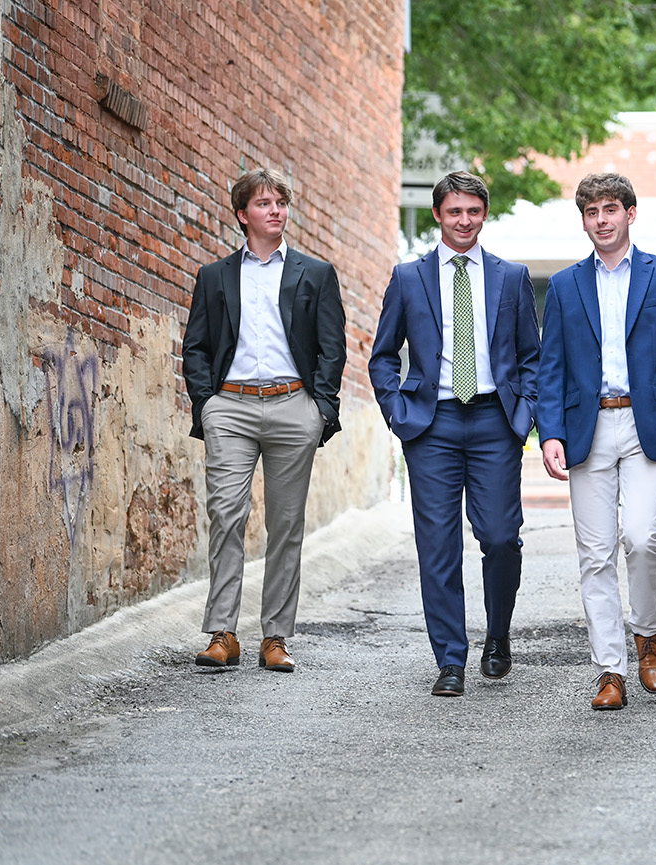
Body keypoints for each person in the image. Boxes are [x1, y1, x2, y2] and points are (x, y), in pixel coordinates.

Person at [538, 173, 656, 711]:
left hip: (647, 426)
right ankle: (609, 669)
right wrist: (550, 434)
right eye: (591, 213)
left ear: (630, 214)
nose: (602, 221)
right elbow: (552, 368)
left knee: (642, 538)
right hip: (587, 427)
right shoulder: (565, 286)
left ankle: (648, 633)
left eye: (610, 209)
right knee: (594, 555)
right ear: (584, 219)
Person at [369, 171, 540, 698]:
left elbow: (531, 357)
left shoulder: (511, 277)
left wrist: (525, 412)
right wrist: (399, 412)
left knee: (499, 537)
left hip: (494, 422)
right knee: (437, 546)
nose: (463, 220)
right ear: (439, 215)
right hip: (432, 425)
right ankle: (450, 659)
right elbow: (381, 356)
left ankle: (498, 633)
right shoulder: (408, 277)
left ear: (483, 215)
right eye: (454, 212)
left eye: (473, 211)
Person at [183, 167, 346, 673]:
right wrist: (207, 405)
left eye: (280, 202)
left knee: (286, 524)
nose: (275, 210)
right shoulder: (214, 277)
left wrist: (320, 409)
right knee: (226, 516)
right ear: (242, 215)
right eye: (263, 203)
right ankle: (223, 633)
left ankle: (275, 636)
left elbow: (331, 347)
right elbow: (197, 348)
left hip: (292, 405)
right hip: (229, 408)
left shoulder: (314, 274)